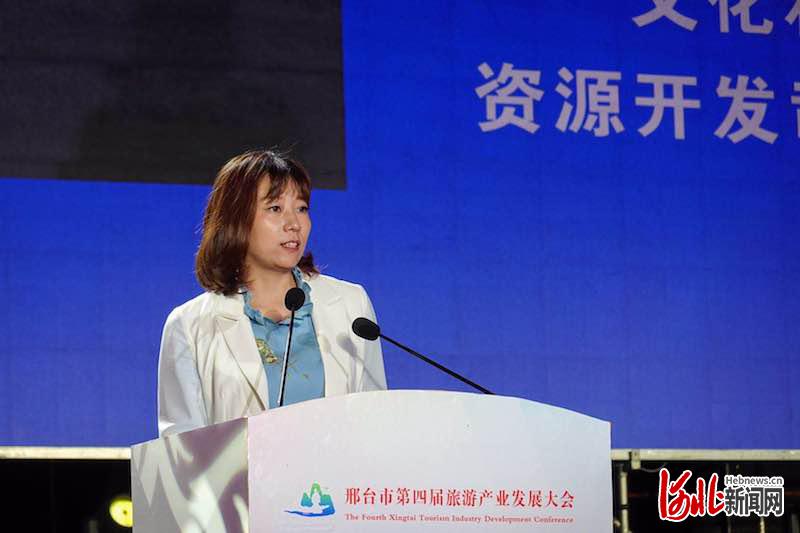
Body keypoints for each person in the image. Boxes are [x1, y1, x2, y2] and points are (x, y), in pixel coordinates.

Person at [157, 150, 387, 436]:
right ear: (236, 220)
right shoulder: (190, 325)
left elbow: (374, 425)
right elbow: (180, 448)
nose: (294, 224)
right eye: (275, 208)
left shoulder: (351, 306)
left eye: (301, 208)